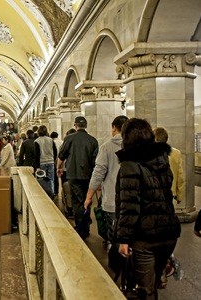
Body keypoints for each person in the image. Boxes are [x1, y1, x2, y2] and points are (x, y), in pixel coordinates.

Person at [115, 118, 181, 300]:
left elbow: (129, 205)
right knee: (152, 284)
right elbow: (167, 195)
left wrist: (123, 239)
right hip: (168, 234)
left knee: (146, 290)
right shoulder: (162, 159)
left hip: (145, 238)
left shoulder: (129, 164)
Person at [84, 115, 128, 249]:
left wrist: (89, 196)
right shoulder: (137, 146)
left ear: (114, 128)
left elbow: (98, 173)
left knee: (114, 235)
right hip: (133, 202)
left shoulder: (106, 147)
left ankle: (115, 262)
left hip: (112, 200)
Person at [57, 116, 98, 239]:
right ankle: (86, 227)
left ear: (75, 125)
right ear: (86, 125)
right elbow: (95, 161)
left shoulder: (69, 138)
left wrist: (58, 168)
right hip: (88, 175)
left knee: (77, 201)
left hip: (73, 174)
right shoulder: (93, 140)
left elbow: (62, 155)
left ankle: (80, 227)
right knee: (87, 200)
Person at [153, 127, 185, 204]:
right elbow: (180, 175)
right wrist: (180, 195)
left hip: (153, 192)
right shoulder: (176, 153)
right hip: (169, 190)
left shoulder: (149, 153)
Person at [34, 125, 57, 196]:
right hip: (50, 162)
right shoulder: (50, 140)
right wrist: (53, 159)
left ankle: (43, 194)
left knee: (42, 179)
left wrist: (37, 166)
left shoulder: (37, 141)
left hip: (42, 162)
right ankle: (52, 192)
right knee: (51, 179)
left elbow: (37, 155)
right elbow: (55, 151)